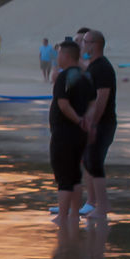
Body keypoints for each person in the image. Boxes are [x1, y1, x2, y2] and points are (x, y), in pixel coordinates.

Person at [49, 40, 94, 228]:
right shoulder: (86, 76)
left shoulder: (65, 77)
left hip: (64, 133)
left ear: (66, 56)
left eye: (59, 53)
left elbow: (63, 104)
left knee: (64, 176)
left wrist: (78, 119)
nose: (58, 57)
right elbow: (93, 103)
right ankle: (74, 214)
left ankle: (62, 216)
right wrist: (86, 120)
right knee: (75, 174)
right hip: (79, 134)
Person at [81, 29, 116, 217]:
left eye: (85, 41)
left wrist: (93, 124)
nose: (82, 45)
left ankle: (103, 205)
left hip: (103, 123)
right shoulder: (93, 66)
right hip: (95, 123)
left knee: (95, 162)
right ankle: (95, 203)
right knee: (90, 161)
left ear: (94, 45)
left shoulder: (102, 67)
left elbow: (102, 98)